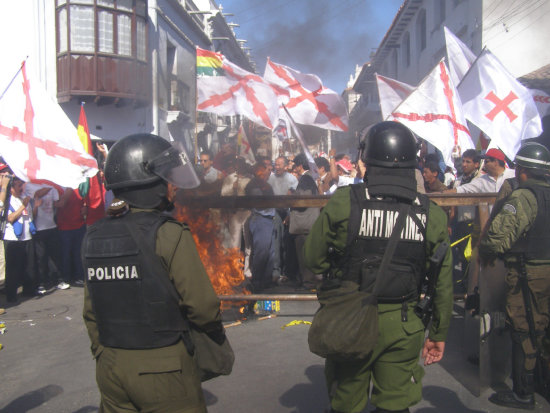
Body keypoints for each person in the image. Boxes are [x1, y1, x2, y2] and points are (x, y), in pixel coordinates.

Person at [304, 121, 452, 413]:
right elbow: (443, 282)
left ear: (367, 159)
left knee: (346, 403)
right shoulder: (431, 214)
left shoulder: (345, 201)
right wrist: (438, 332)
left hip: (350, 319)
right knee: (395, 406)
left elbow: (313, 259)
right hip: (404, 323)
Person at [82, 133, 223, 412]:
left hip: (110, 368)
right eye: (166, 179)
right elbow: (204, 307)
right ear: (149, 183)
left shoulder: (94, 235)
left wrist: (103, 354)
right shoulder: (170, 233)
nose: (172, 187)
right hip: (164, 367)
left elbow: (91, 311)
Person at [480, 142, 550, 410]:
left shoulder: (523, 196)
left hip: (529, 273)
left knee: (525, 329)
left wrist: (487, 252)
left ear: (521, 171)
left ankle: (523, 392)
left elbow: (496, 237)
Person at [289, 153, 320, 289]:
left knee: (304, 255)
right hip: (308, 224)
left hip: (304, 225)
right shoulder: (309, 178)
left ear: (300, 165)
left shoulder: (306, 179)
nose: (294, 168)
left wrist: (291, 195)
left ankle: (308, 282)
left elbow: (303, 200)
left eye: (295, 165)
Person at [4, 177, 36, 302]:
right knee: (12, 269)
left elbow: (30, 217)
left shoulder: (24, 198)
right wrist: (23, 206)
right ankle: (11, 295)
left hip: (27, 237)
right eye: (18, 185)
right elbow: (10, 218)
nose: (21, 188)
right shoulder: (8, 200)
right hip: (12, 239)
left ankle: (29, 290)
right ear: (11, 188)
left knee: (29, 266)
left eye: (22, 185)